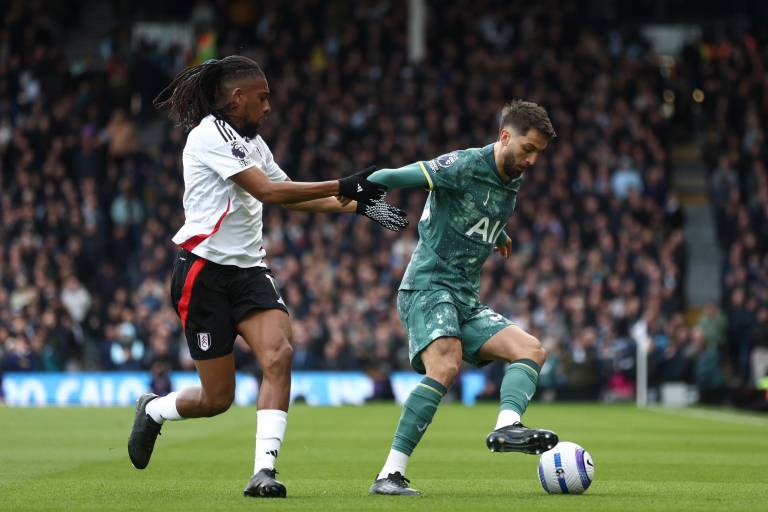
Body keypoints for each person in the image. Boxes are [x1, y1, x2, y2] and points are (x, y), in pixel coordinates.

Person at [127, 55, 408, 499]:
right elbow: (269, 192)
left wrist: (360, 206)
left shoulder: (254, 145)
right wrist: (343, 184)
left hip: (249, 273)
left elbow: (291, 195)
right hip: (202, 273)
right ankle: (155, 410)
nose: (268, 107)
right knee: (217, 399)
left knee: (280, 354)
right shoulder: (208, 135)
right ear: (237, 98)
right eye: (262, 98)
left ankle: (264, 472)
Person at [360, 100, 559, 495]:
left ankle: (507, 427)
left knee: (531, 350)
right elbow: (394, 176)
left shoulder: (512, 176)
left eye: (538, 153)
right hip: (429, 286)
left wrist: (497, 232)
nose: (532, 160)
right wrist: (361, 192)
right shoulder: (464, 164)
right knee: (446, 365)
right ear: (505, 137)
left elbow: (476, 208)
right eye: (528, 149)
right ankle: (389, 474)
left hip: (465, 298)